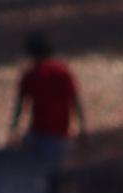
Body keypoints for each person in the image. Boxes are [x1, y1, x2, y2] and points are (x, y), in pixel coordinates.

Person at [10, 33, 85, 170]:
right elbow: (75, 100)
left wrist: (13, 129)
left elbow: (20, 106)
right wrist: (82, 126)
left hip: (39, 132)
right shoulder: (62, 71)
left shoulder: (30, 75)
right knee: (54, 172)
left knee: (35, 171)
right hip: (61, 132)